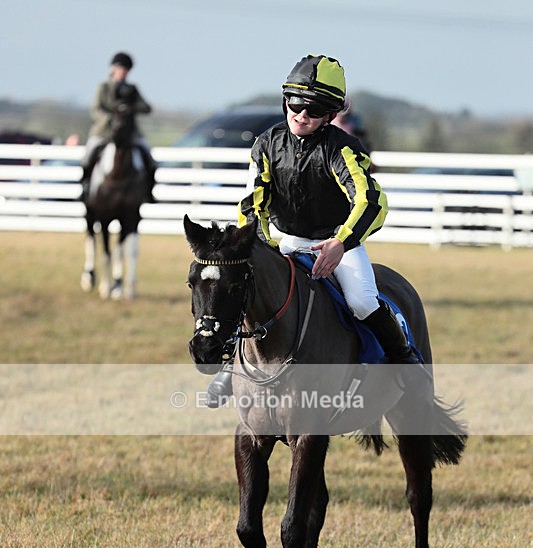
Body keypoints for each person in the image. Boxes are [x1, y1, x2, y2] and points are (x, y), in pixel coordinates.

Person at [205, 54, 424, 407]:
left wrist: (340, 243)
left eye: (313, 109)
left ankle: (404, 361)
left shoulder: (343, 149)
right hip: (286, 242)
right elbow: (251, 205)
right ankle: (230, 369)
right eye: (295, 103)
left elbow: (370, 202)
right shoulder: (266, 144)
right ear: (285, 101)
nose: (301, 115)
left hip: (339, 243)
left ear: (330, 114)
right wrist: (259, 249)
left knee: (363, 301)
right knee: (247, 295)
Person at [81, 52, 156, 202]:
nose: (123, 72)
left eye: (126, 70)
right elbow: (96, 109)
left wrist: (131, 108)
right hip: (105, 133)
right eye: (120, 68)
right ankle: (86, 189)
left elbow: (147, 108)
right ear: (113, 69)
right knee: (88, 156)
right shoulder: (103, 87)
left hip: (129, 135)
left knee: (149, 157)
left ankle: (148, 191)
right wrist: (111, 119)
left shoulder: (132, 89)